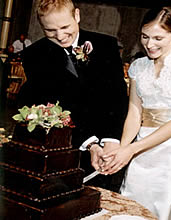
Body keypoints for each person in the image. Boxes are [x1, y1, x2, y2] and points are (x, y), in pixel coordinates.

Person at [91, 6, 171, 220]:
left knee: (167, 206)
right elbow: (134, 114)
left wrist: (132, 149)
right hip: (142, 144)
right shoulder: (138, 66)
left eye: (158, 38)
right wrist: (122, 150)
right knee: (134, 202)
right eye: (145, 37)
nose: (150, 44)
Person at [17, 0, 128, 192]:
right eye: (50, 31)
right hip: (67, 144)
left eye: (64, 27)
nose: (59, 36)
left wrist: (111, 139)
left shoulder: (106, 45)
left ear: (76, 15)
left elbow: (117, 97)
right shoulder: (35, 55)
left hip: (107, 144)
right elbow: (56, 106)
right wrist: (90, 144)